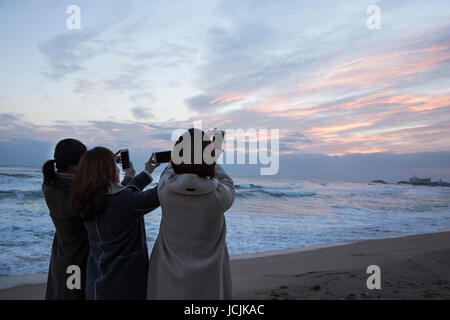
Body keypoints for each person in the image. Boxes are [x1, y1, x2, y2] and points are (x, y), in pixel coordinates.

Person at [147, 128, 235, 300]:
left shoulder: (164, 189)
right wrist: (212, 157)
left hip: (168, 275)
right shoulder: (220, 197)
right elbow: (227, 182)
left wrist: (182, 154)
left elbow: (169, 169)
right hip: (208, 280)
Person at [71, 147, 160, 300]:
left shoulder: (86, 198)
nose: (117, 168)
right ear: (108, 171)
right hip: (123, 286)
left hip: (96, 285)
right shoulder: (123, 202)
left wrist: (143, 174)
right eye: (114, 165)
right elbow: (161, 193)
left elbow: (123, 194)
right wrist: (174, 169)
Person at [42, 138, 88, 300]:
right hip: (76, 259)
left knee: (61, 293)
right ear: (74, 164)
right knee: (73, 294)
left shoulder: (49, 184)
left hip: (61, 252)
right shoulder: (78, 191)